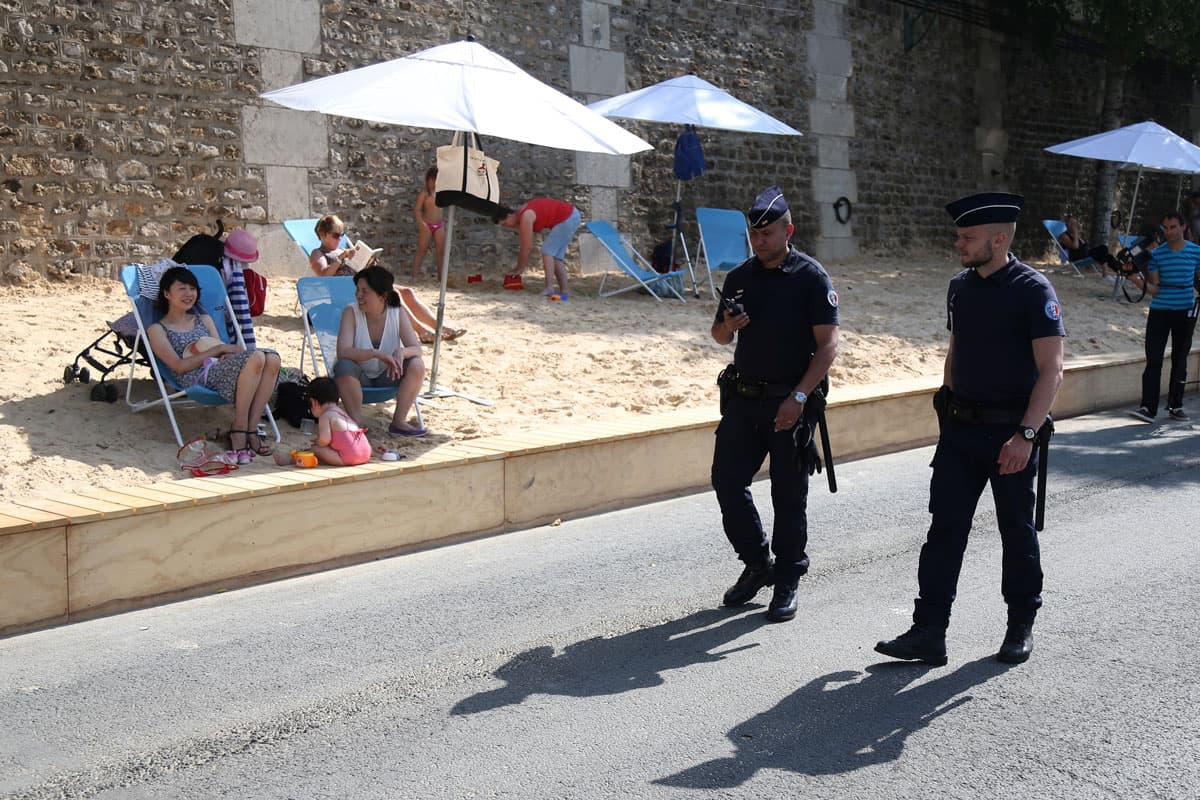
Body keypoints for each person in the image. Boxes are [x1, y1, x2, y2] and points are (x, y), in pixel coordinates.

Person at [875, 192, 1064, 667]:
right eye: (959, 235)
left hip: (1010, 435)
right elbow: (956, 348)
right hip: (961, 431)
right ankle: (928, 633)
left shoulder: (1033, 289)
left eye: (968, 237)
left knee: (1016, 533)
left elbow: (1052, 370)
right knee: (944, 531)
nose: (958, 244)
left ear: (999, 240)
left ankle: (1021, 624)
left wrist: (1025, 435)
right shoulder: (959, 286)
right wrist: (946, 404)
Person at [709, 185, 840, 623]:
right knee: (727, 480)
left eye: (767, 233)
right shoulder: (739, 277)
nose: (759, 240)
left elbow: (828, 346)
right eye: (754, 233)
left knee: (789, 496)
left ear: (789, 230)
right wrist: (728, 324)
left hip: (789, 403)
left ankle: (787, 578)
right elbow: (719, 337)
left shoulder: (811, 277)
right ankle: (757, 562)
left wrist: (799, 398)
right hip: (743, 400)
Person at [145, 266, 282, 462]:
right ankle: (239, 428)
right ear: (167, 293)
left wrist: (223, 354)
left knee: (272, 358)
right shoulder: (157, 329)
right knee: (258, 357)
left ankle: (251, 429)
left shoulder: (204, 319)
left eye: (192, 289)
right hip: (194, 377)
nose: (189, 294)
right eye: (182, 288)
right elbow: (178, 366)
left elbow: (221, 349)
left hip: (220, 370)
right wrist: (217, 351)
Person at [310, 212, 464, 344]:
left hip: (361, 286)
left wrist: (367, 262)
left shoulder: (342, 249)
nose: (340, 239)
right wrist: (340, 259)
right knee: (392, 294)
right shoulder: (319, 254)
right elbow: (323, 275)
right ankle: (421, 331)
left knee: (408, 292)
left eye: (342, 234)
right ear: (323, 235)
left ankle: (439, 327)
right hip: (346, 293)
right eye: (336, 235)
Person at [334, 265, 428, 437]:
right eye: (357, 290)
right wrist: (375, 353)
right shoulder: (351, 312)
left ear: (383, 296)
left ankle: (399, 422)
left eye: (365, 291)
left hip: (388, 375)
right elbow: (343, 351)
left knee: (417, 365)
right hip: (359, 377)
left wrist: (401, 352)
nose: (358, 296)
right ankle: (357, 423)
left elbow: (416, 349)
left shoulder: (397, 312)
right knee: (343, 366)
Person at [1125, 211, 1200, 422]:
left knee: (1180, 359)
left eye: (1173, 227)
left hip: (1185, 312)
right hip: (1159, 311)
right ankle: (1148, 408)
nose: (1168, 232)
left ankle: (1176, 405)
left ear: (1183, 227)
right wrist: (1133, 279)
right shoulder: (1156, 255)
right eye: (1165, 228)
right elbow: (1154, 289)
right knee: (1154, 359)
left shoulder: (1196, 252)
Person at [493, 198, 582, 299]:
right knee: (556, 257)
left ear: (509, 215)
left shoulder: (526, 216)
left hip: (567, 217)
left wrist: (519, 269)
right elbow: (524, 243)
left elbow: (527, 247)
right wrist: (518, 268)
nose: (507, 226)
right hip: (572, 215)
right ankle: (565, 291)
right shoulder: (521, 215)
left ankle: (549, 288)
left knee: (547, 252)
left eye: (505, 223)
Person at [273, 377, 371, 467]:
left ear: (313, 402)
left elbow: (324, 440)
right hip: (365, 453)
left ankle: (289, 460)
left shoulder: (326, 416)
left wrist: (317, 443)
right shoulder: (341, 413)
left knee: (315, 450)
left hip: (350, 457)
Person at [412, 166, 447, 281]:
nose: (434, 183)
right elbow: (417, 209)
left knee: (441, 251)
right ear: (428, 179)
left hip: (439, 225)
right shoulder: (424, 193)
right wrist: (421, 223)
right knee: (422, 249)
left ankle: (441, 278)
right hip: (427, 224)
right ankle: (414, 276)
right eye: (432, 180)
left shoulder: (441, 193)